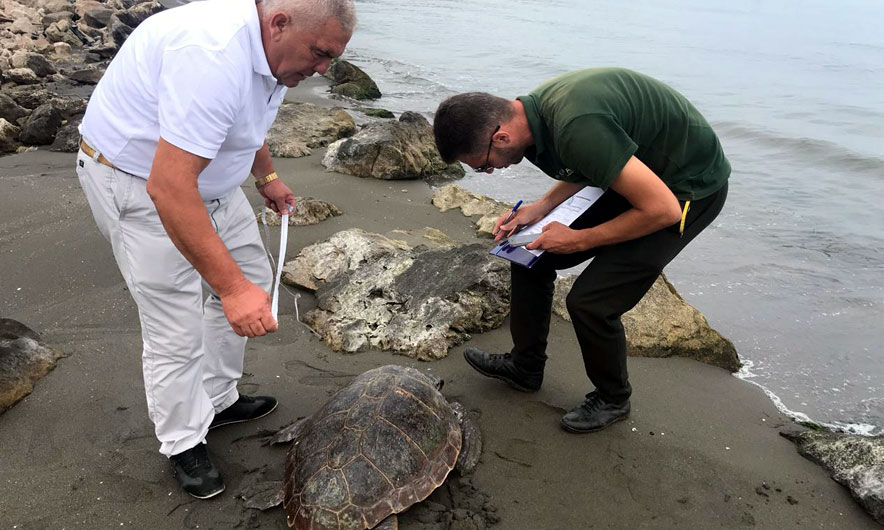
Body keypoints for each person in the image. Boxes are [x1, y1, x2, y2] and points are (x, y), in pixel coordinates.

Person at [76, 0, 355, 498]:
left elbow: (248, 121)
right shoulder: (211, 54)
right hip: (139, 182)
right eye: (319, 54)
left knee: (251, 271)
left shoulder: (277, 52)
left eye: (331, 58)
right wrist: (229, 290)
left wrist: (265, 175)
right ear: (278, 23)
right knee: (176, 321)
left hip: (208, 185)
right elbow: (169, 187)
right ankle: (183, 440)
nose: (323, 69)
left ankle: (217, 397)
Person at [433, 68, 730, 434]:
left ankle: (613, 399)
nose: (489, 172)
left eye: (484, 165)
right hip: (640, 175)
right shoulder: (533, 116)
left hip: (687, 190)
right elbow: (589, 162)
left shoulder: (575, 124)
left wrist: (580, 239)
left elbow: (661, 210)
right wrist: (540, 208)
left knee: (591, 302)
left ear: (502, 135)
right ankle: (525, 367)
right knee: (528, 256)